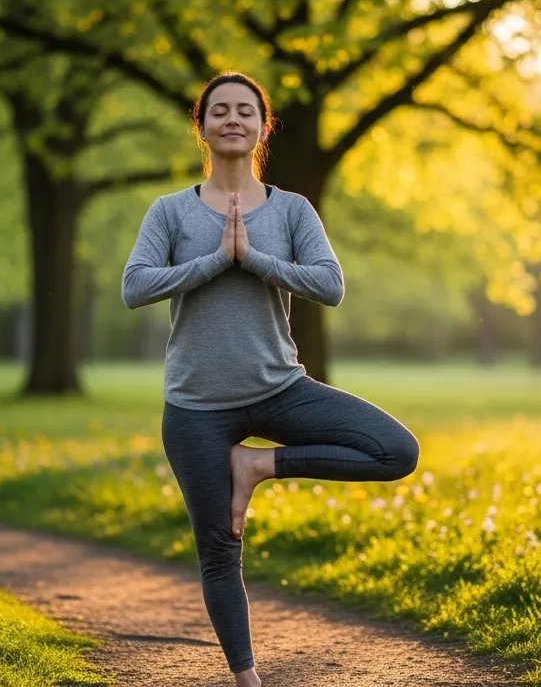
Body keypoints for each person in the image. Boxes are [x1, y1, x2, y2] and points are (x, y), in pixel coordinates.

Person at [121, 71, 421, 686]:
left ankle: (257, 466)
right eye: (220, 111)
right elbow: (134, 286)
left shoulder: (291, 210)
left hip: (281, 389)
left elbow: (331, 286)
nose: (233, 119)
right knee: (219, 551)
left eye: (246, 112)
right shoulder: (171, 211)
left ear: (263, 127)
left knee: (397, 450)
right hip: (198, 408)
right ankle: (247, 679)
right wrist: (213, 261)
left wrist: (253, 258)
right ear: (201, 126)